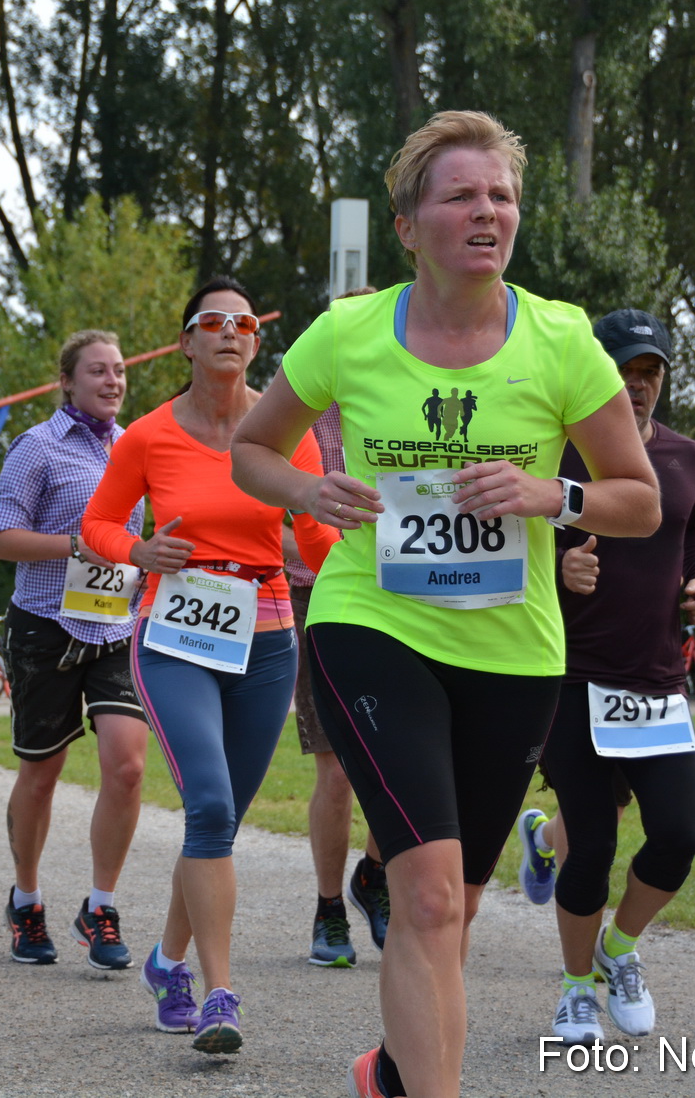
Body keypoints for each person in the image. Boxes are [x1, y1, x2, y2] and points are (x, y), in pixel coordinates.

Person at [229, 110, 660, 1098]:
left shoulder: (561, 343)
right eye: (461, 195)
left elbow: (639, 502)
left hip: (513, 651)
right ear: (410, 223)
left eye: (501, 196)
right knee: (424, 894)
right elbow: (253, 449)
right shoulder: (350, 334)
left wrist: (548, 494)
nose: (486, 212)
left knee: (453, 909)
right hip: (371, 622)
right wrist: (308, 491)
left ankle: (391, 1071)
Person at [83, 277, 335, 1055]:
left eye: (245, 322)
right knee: (215, 804)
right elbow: (97, 521)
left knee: (213, 822)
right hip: (175, 635)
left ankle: (165, 960)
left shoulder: (288, 434)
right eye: (212, 321)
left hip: (265, 638)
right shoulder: (148, 436)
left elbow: (319, 538)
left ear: (257, 342)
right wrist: (137, 549)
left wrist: (364, 561)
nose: (231, 331)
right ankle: (219, 992)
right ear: (187, 342)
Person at [507, 308, 695, 1046]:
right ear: (594, 372)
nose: (635, 387)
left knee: (676, 837)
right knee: (591, 844)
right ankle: (573, 989)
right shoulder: (557, 455)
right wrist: (562, 567)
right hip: (572, 678)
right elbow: (513, 547)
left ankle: (620, 946)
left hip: (658, 682)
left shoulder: (686, 456)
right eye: (623, 371)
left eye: (649, 373)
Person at [0, 330, 149, 969]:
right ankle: (26, 901)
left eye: (120, 371)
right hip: (45, 626)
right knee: (42, 773)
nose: (113, 382)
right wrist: (78, 545)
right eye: (99, 372)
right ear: (68, 382)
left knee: (128, 766)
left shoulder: (135, 446)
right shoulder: (38, 447)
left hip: (114, 625)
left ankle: (100, 906)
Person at [283, 400, 392, 971]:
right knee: (336, 765)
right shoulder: (295, 420)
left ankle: (374, 874)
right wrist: (318, 539)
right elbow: (257, 521)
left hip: (401, 598)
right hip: (319, 596)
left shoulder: (408, 408)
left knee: (398, 757)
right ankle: (329, 908)